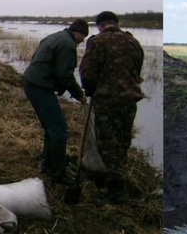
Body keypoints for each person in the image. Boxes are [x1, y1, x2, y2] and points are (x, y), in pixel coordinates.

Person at [79, 11, 144, 206]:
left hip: (107, 101)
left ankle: (116, 191)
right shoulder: (133, 42)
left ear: (100, 25)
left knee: (109, 143)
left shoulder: (97, 42)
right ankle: (120, 178)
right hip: (130, 100)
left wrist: (89, 89)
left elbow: (87, 72)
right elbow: (137, 69)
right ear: (117, 23)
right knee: (123, 139)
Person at [22, 19, 89, 186]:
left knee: (50, 127)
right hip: (40, 88)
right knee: (59, 129)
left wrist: (58, 86)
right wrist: (79, 94)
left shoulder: (54, 37)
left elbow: (37, 59)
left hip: (31, 83)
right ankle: (58, 173)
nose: (82, 42)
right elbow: (64, 75)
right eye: (83, 37)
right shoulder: (67, 45)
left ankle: (47, 163)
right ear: (78, 33)